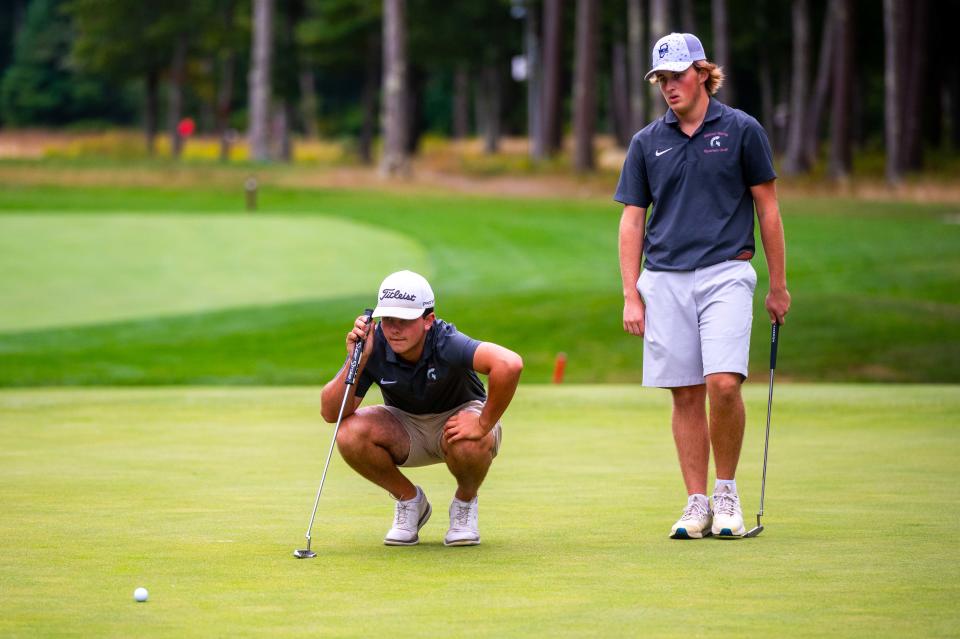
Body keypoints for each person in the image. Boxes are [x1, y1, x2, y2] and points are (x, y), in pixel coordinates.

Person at [614, 33, 791, 539]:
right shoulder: (648, 141)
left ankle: (727, 494)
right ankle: (696, 504)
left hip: (726, 272)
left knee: (723, 383)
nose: (669, 87)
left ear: (702, 73)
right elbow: (632, 221)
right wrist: (632, 292)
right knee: (686, 393)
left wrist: (778, 286)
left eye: (677, 76)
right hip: (664, 277)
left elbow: (769, 209)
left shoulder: (742, 130)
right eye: (661, 79)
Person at [321, 270, 523, 546]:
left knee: (469, 442)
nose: (394, 329)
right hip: (405, 426)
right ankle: (410, 500)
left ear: (428, 320)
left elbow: (509, 364)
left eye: (404, 320)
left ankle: (464, 503)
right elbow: (331, 413)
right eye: (388, 319)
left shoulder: (446, 342)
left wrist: (483, 424)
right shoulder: (374, 344)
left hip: (458, 419)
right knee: (349, 433)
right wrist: (356, 359)